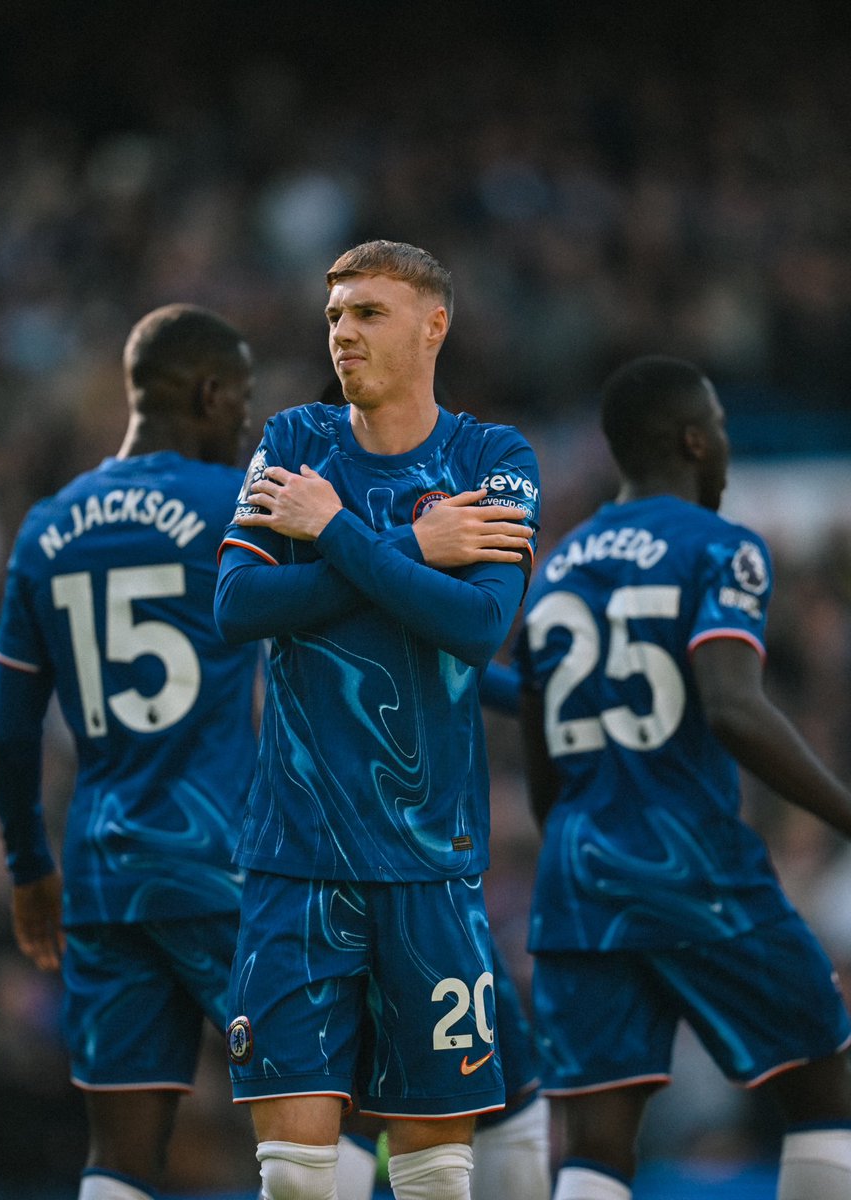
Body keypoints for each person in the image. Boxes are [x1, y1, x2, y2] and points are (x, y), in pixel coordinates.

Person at [214, 239, 541, 1200]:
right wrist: (409, 546)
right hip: (296, 854)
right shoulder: (294, 440)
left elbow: (477, 626)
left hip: (430, 860)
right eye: (334, 316)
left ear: (434, 326)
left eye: (368, 313)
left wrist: (332, 533)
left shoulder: (492, 458)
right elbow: (237, 605)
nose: (343, 334)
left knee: (436, 1177)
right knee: (297, 1178)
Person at [514, 354, 851, 1200]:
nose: (728, 448)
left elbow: (544, 770)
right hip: (691, 858)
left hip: (578, 876)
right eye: (723, 430)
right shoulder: (719, 547)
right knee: (823, 1087)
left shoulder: (556, 570)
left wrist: (587, 847)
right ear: (695, 440)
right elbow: (733, 709)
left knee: (597, 1140)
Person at [0, 304, 261, 1200]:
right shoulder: (235, 505)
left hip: (103, 869)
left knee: (120, 1154)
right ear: (208, 393)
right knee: (326, 1098)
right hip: (222, 860)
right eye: (243, 398)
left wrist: (30, 867)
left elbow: (13, 728)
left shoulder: (45, 529)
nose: (247, 422)